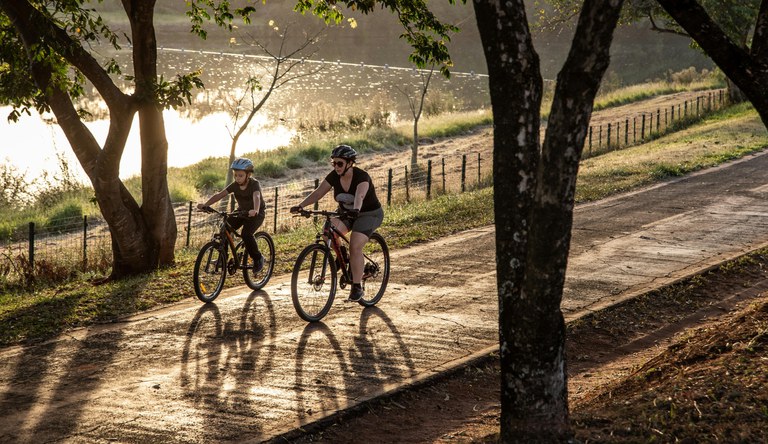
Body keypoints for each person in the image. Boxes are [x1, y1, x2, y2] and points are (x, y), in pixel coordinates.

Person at [290, 144, 384, 302]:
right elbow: (318, 192)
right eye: (333, 163)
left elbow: (360, 196)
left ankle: (356, 286)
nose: (336, 166)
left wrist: (356, 210)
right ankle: (343, 255)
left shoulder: (362, 177)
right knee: (328, 232)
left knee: (355, 245)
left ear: (349, 163)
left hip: (369, 213)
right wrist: (301, 206)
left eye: (340, 163)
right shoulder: (334, 176)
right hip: (346, 213)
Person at [198, 158, 266, 271]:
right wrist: (206, 205)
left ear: (248, 175)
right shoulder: (234, 185)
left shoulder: (254, 184)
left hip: (256, 214)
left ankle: (258, 258)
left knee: (246, 234)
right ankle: (222, 258)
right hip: (241, 212)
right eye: (235, 175)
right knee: (224, 229)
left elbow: (256, 196)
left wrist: (255, 210)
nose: (237, 178)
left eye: (240, 175)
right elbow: (219, 195)